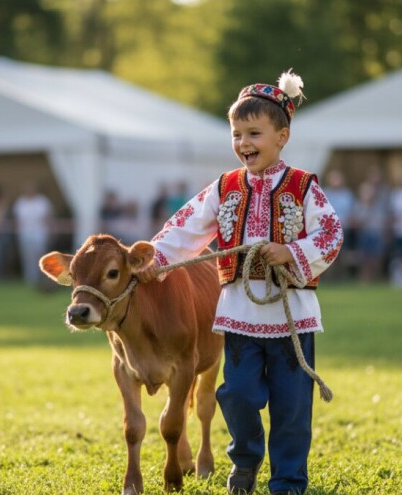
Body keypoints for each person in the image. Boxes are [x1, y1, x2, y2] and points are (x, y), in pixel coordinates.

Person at [136, 71, 343, 495]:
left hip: (292, 319)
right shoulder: (225, 187)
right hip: (240, 317)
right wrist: (156, 258)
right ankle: (245, 460)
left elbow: (330, 233)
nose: (243, 143)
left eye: (254, 133)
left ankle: (287, 481)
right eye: (236, 134)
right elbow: (186, 226)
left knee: (292, 406)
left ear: (281, 136)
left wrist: (292, 252)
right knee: (239, 395)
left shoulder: (304, 187)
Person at [13, 182, 52, 286]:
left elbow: (47, 217)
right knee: (27, 257)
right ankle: (30, 279)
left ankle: (41, 278)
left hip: (39, 234)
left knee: (40, 257)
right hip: (25, 234)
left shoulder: (42, 201)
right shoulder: (20, 202)